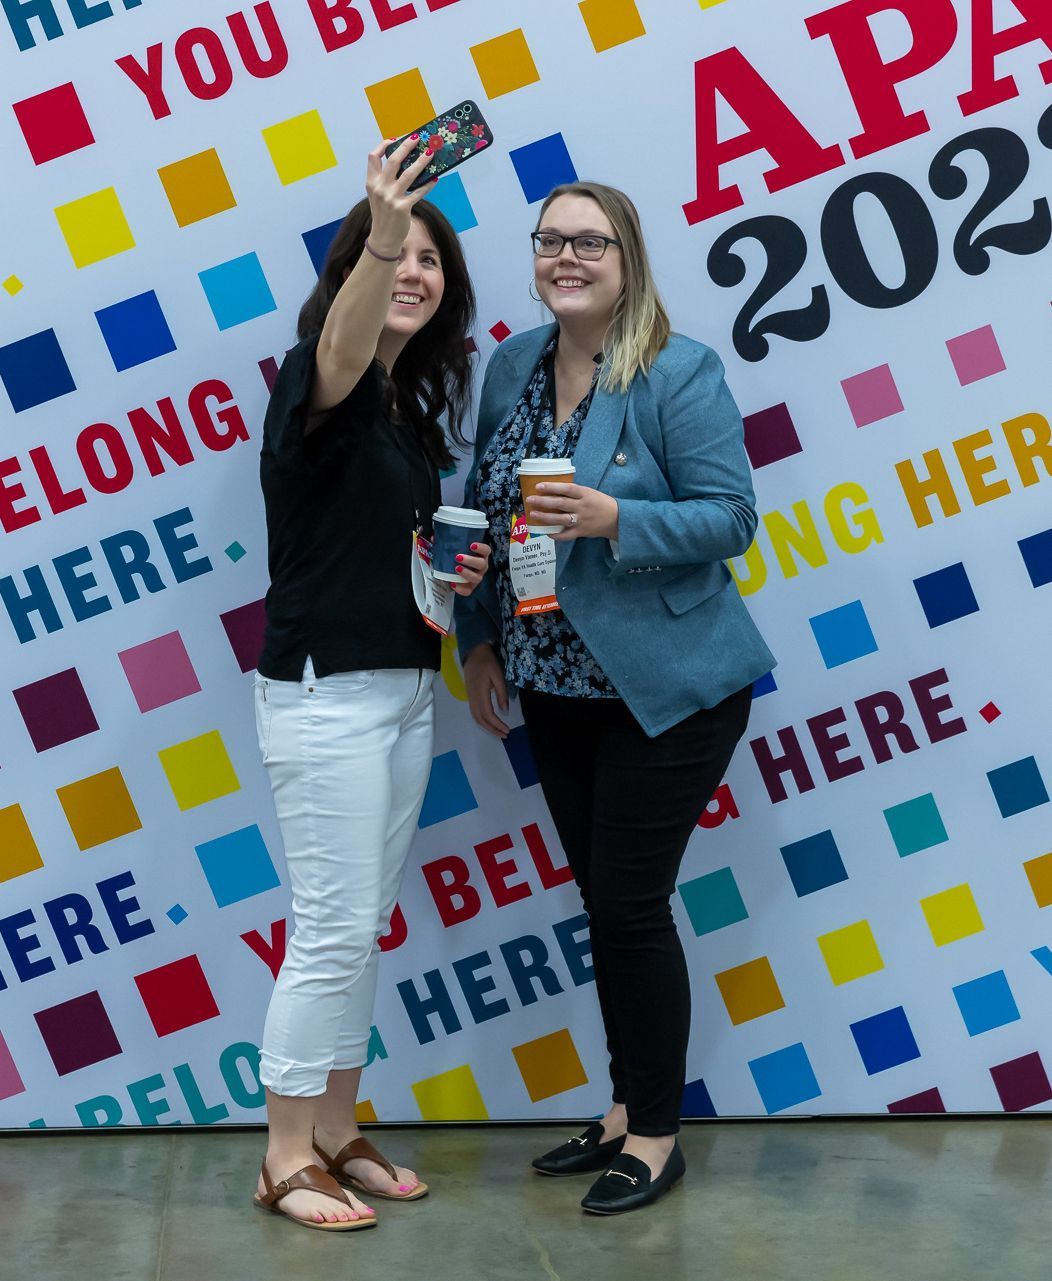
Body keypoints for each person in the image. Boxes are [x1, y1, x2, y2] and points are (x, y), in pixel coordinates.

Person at [456, 181, 775, 1216]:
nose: (566, 257)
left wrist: (613, 518)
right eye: (550, 240)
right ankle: (619, 1107)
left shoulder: (676, 371)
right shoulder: (512, 364)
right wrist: (479, 643)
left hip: (666, 691)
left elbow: (731, 519)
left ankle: (654, 1134)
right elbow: (482, 513)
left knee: (630, 907)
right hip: (551, 686)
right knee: (604, 906)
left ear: (626, 258)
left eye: (589, 241)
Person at [252, 137, 490, 1232]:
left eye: (432, 263)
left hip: (400, 689)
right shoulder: (325, 379)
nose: (412, 274)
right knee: (333, 925)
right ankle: (283, 1155)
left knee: (362, 924)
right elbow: (343, 345)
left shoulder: (402, 412)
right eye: (394, 257)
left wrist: (450, 572)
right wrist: (388, 220)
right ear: (355, 264)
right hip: (323, 696)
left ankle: (337, 1128)